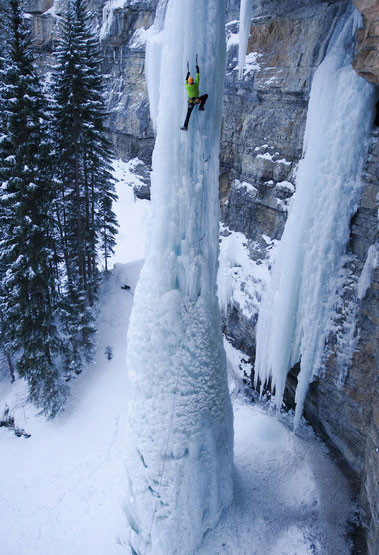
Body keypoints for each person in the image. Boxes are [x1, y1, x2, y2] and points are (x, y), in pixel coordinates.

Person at [180, 63, 208, 131]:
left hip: (190, 102)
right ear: (193, 82)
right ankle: (201, 106)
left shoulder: (188, 87)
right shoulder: (196, 85)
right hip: (197, 100)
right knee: (205, 95)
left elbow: (186, 82)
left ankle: (185, 126)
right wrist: (197, 71)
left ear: (189, 83)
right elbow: (197, 78)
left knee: (188, 114)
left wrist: (187, 76)